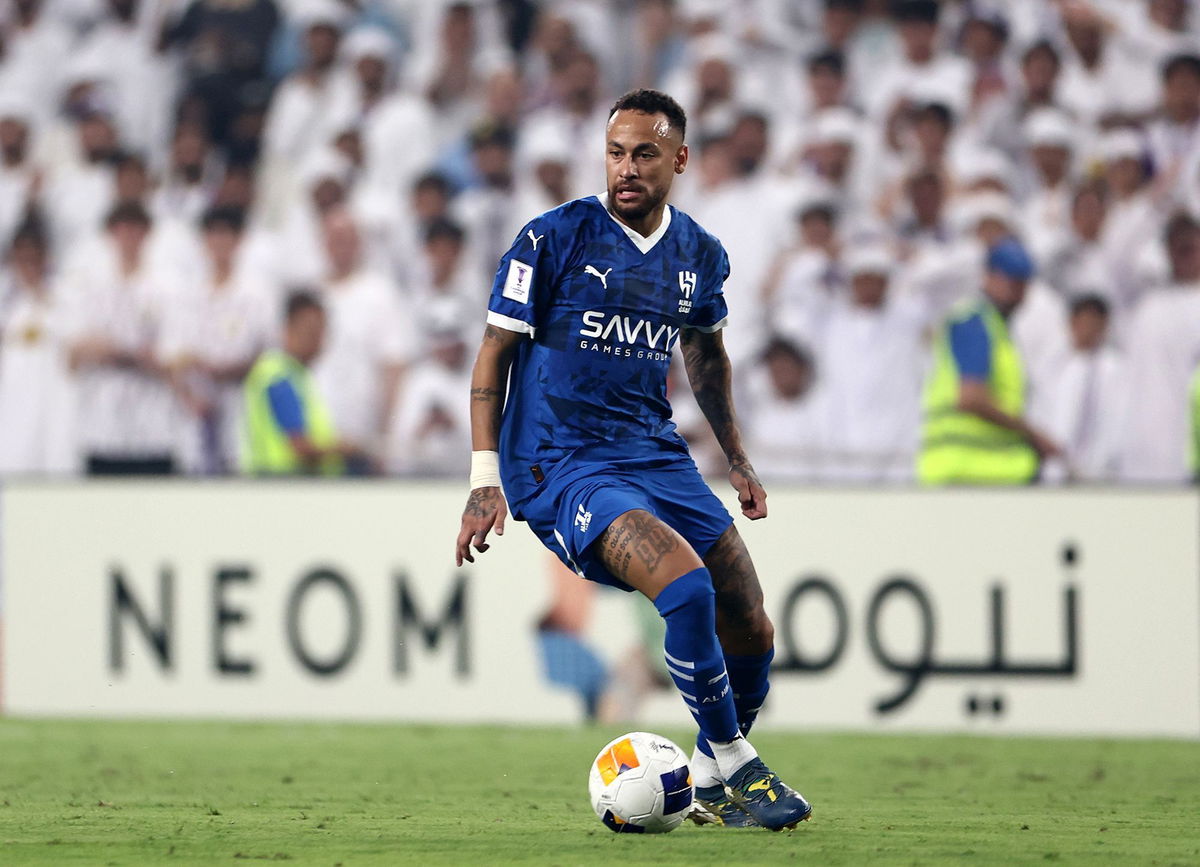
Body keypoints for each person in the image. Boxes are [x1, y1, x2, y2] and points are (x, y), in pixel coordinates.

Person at [453, 89, 811, 830]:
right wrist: (484, 477)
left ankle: (709, 775)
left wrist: (738, 460)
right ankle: (740, 760)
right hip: (561, 462)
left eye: (644, 153)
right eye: (615, 152)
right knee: (684, 591)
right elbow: (495, 351)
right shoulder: (552, 239)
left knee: (751, 620)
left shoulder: (698, 255)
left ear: (678, 159)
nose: (626, 168)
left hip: (655, 452)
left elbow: (707, 357)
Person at [917, 237, 1061, 485]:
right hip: (969, 471)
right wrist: (1032, 434)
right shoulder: (974, 323)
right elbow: (971, 397)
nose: (1017, 291)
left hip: (981, 472)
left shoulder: (997, 330)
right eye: (1010, 281)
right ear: (988, 277)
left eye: (1021, 282)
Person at [240, 290, 360, 475]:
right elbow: (299, 446)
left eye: (321, 333)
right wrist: (343, 449)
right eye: (310, 332)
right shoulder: (279, 377)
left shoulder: (296, 375)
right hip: (282, 484)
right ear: (288, 330)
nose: (318, 341)